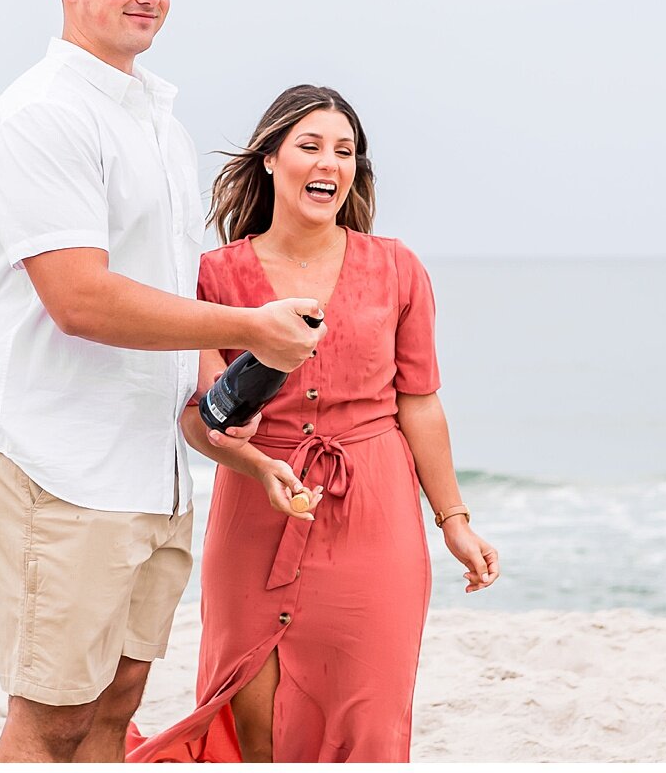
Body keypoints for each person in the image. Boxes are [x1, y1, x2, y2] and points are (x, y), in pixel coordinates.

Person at [0, 0, 326, 763]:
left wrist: (215, 395)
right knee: (52, 716)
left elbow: (165, 283)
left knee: (116, 707)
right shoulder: (41, 115)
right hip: (54, 458)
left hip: (149, 466)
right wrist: (248, 327)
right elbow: (79, 298)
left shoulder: (159, 121)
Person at [127, 85, 501, 763]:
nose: (329, 162)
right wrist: (250, 458)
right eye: (310, 146)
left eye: (345, 150)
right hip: (254, 511)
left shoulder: (397, 268)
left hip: (375, 513)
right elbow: (196, 419)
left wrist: (454, 520)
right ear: (270, 160)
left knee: (368, 713)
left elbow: (418, 402)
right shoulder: (211, 277)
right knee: (252, 718)